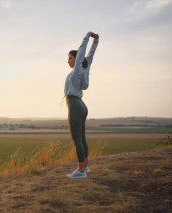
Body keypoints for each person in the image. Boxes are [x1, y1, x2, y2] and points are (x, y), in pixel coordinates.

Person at [64, 31, 99, 179]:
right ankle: (86, 166)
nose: (68, 61)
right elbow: (90, 55)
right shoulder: (85, 68)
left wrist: (87, 36)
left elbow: (83, 50)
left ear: (77, 58)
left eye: (70, 58)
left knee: (76, 139)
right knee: (82, 138)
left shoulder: (78, 69)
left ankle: (81, 171)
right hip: (81, 106)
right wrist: (96, 41)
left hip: (75, 105)